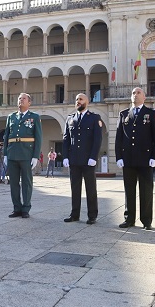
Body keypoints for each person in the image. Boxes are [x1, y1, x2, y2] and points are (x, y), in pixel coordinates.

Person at [116, 87, 155, 230]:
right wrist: (119, 157)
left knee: (146, 190)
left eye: (138, 93)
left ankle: (146, 220)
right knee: (129, 190)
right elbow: (119, 138)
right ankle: (129, 219)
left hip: (145, 159)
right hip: (128, 159)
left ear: (144, 97)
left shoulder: (151, 113)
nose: (135, 95)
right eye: (133, 93)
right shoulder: (124, 114)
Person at [62, 93, 102, 224]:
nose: (78, 101)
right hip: (74, 160)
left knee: (90, 188)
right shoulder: (70, 118)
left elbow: (97, 140)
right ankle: (74, 214)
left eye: (80, 99)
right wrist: (65, 156)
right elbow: (66, 139)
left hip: (88, 160)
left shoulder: (95, 118)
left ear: (87, 102)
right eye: (76, 100)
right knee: (75, 188)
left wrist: (93, 157)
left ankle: (92, 215)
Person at [3, 93, 42, 218]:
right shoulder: (11, 117)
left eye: (23, 99)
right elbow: (6, 136)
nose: (20, 100)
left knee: (26, 182)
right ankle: (17, 208)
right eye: (19, 98)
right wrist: (5, 154)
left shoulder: (34, 117)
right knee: (14, 183)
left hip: (26, 154)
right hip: (12, 153)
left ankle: (26, 208)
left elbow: (38, 137)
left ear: (29, 103)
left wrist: (35, 156)